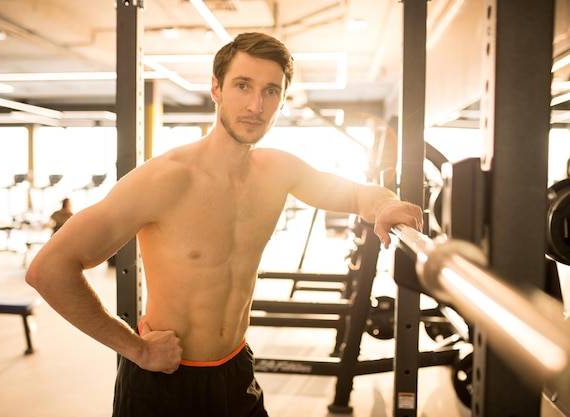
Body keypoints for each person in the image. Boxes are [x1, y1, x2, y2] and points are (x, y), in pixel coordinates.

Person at [25, 32, 423, 417]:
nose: (256, 105)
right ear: (216, 88)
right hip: (163, 379)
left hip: (236, 371)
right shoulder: (165, 179)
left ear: (282, 100)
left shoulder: (277, 170)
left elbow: (357, 195)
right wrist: (136, 348)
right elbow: (49, 269)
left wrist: (385, 204)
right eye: (243, 86)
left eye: (271, 91)